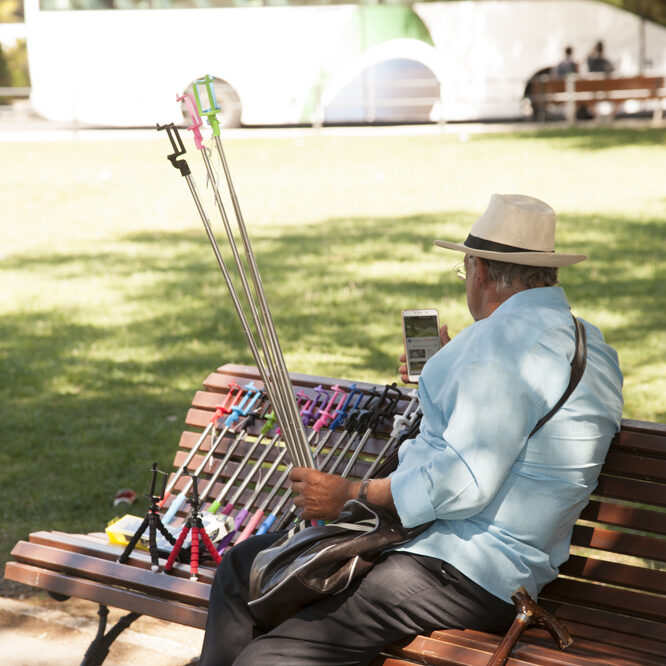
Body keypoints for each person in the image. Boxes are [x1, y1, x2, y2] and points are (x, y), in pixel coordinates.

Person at [199, 193, 623, 666]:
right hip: (488, 561)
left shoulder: (495, 345)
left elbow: (463, 483)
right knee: (243, 568)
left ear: (481, 270)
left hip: (460, 567)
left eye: (466, 272)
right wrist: (451, 368)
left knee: (272, 657)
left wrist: (350, 493)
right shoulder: (589, 342)